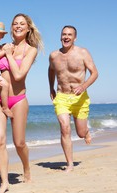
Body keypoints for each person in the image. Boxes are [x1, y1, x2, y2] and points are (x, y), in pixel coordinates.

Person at [0, 13, 43, 193]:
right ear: (11, 28)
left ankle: (26, 168)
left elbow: (18, 75)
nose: (18, 26)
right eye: (15, 24)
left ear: (28, 28)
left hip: (18, 99)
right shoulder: (2, 46)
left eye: (22, 24)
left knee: (19, 143)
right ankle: (4, 182)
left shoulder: (31, 50)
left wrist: (9, 54)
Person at [48, 25, 98, 172]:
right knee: (65, 128)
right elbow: (51, 70)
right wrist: (51, 88)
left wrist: (83, 86)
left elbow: (94, 73)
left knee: (80, 133)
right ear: (60, 36)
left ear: (75, 38)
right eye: (64, 34)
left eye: (69, 34)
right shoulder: (54, 55)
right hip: (62, 96)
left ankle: (86, 132)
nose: (66, 37)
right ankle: (70, 163)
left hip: (80, 98)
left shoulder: (83, 53)